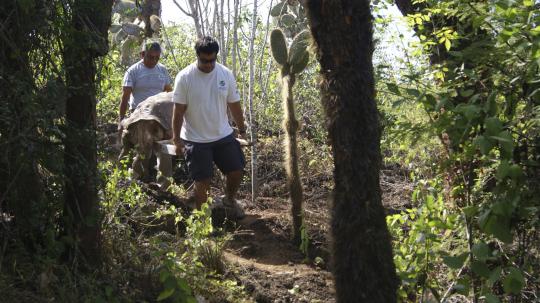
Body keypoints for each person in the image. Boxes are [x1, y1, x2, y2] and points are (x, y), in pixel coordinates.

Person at [171, 36, 247, 211]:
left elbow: (234, 105)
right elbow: (178, 111)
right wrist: (176, 139)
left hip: (223, 135)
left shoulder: (225, 74)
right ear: (197, 56)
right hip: (196, 138)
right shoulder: (185, 77)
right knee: (203, 181)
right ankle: (203, 225)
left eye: (212, 60)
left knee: (236, 171)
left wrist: (242, 129)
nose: (209, 64)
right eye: (205, 61)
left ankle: (229, 199)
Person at [118, 41, 172, 133]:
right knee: (140, 142)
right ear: (142, 54)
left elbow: (169, 93)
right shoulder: (133, 71)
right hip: (138, 113)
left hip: (160, 114)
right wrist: (121, 121)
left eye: (157, 58)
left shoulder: (162, 70)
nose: (154, 61)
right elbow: (125, 97)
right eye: (151, 57)